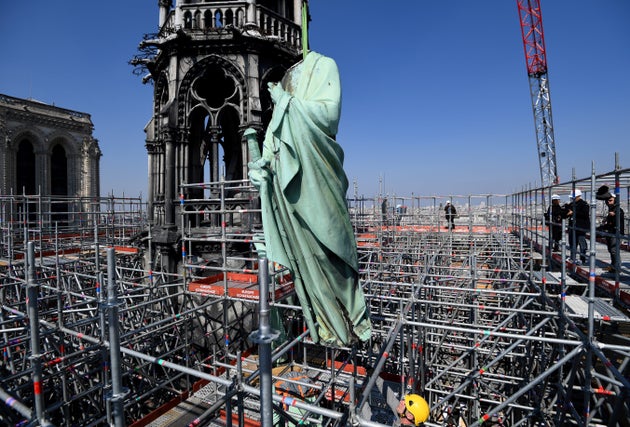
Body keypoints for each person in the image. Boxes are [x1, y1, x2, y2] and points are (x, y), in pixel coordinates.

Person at [247, 51, 372, 346]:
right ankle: (325, 326)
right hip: (287, 203)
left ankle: (348, 326)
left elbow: (329, 116)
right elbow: (270, 155)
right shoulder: (279, 105)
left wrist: (287, 104)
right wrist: (261, 172)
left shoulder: (324, 66)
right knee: (305, 263)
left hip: (319, 188)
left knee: (332, 254)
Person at [600, 194, 625, 273]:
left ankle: (617, 267)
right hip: (611, 232)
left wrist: (614, 216)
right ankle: (613, 266)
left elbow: (619, 219)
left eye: (610, 200)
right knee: (611, 249)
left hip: (616, 233)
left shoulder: (618, 210)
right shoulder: (611, 210)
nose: (608, 202)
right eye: (608, 200)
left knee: (614, 250)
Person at [564, 189, 590, 264]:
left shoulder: (583, 204)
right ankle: (573, 257)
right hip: (573, 226)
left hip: (580, 227)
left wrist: (573, 212)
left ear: (578, 196)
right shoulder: (572, 204)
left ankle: (582, 258)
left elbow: (585, 214)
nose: (572, 199)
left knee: (581, 242)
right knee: (572, 243)